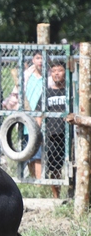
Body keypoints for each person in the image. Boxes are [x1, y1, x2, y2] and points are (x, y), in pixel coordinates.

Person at [43, 60, 70, 198]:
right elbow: (39, 114)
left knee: (74, 165)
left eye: (59, 70)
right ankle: (56, 196)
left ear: (65, 72)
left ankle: (73, 192)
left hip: (69, 135)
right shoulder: (47, 93)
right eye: (53, 71)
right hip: (52, 135)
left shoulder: (70, 92)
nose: (56, 74)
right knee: (54, 167)